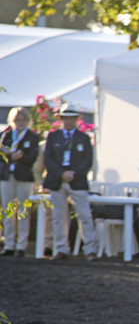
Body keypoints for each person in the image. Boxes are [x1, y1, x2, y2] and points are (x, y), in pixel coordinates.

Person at [43, 105, 98, 260]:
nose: (69, 121)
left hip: (77, 181)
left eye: (72, 118)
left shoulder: (83, 138)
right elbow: (48, 158)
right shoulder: (54, 137)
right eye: (66, 118)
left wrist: (74, 173)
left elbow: (87, 161)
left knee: (85, 215)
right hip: (58, 181)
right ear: (62, 119)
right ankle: (61, 248)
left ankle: (90, 249)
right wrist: (61, 173)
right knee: (59, 216)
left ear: (76, 120)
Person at [1, 107, 40, 257]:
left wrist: (20, 157)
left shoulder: (32, 137)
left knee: (24, 211)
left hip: (24, 178)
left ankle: (22, 245)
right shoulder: (6, 136)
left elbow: (32, 158)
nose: (21, 122)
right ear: (13, 121)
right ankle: (9, 243)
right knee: (8, 211)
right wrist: (9, 156)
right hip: (7, 176)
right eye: (18, 120)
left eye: (23, 120)